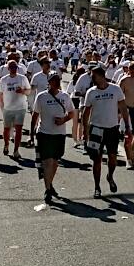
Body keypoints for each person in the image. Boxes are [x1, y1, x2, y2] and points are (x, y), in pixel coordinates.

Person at [81, 66, 129, 198]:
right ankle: (97, 187)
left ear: (101, 76)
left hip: (112, 129)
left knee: (112, 158)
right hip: (96, 129)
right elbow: (85, 114)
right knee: (97, 160)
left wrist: (128, 127)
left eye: (93, 76)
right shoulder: (91, 92)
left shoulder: (115, 89)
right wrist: (85, 132)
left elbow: (123, 108)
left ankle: (110, 176)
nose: (92, 78)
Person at [31, 72, 76, 204]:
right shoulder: (41, 96)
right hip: (44, 133)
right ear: (49, 82)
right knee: (47, 162)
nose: (56, 83)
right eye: (53, 80)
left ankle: (49, 184)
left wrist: (63, 120)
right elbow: (35, 115)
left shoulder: (65, 96)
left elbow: (72, 113)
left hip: (59, 134)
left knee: (55, 162)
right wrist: (31, 133)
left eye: (58, 80)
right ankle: (47, 189)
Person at [0, 59, 30, 161]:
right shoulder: (4, 79)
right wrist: (1, 106)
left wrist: (23, 91)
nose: (13, 69)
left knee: (19, 129)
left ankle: (16, 150)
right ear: (8, 68)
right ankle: (6, 144)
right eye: (11, 67)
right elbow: (0, 94)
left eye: (15, 67)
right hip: (8, 108)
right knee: (7, 129)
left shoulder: (22, 78)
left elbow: (29, 91)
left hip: (20, 108)